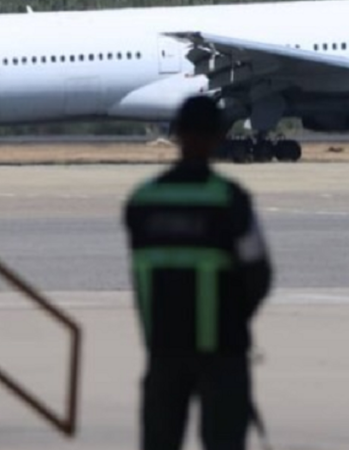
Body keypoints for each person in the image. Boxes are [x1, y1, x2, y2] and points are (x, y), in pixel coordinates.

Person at [124, 96, 273, 450]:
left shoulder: (143, 201)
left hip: (163, 348)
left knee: (160, 439)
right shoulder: (229, 199)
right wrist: (234, 320)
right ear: (218, 136)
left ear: (177, 133)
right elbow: (259, 273)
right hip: (221, 348)